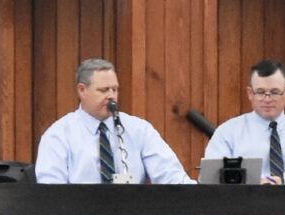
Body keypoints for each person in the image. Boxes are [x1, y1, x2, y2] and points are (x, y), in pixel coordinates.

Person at [35, 58, 195, 184]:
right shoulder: (59, 135)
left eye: (115, 89)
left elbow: (170, 175)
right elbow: (50, 190)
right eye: (103, 90)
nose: (111, 96)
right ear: (82, 90)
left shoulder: (139, 130)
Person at [203, 58, 285, 183]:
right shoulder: (228, 133)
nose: (267, 99)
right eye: (260, 92)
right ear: (250, 93)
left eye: (275, 92)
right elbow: (212, 182)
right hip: (246, 202)